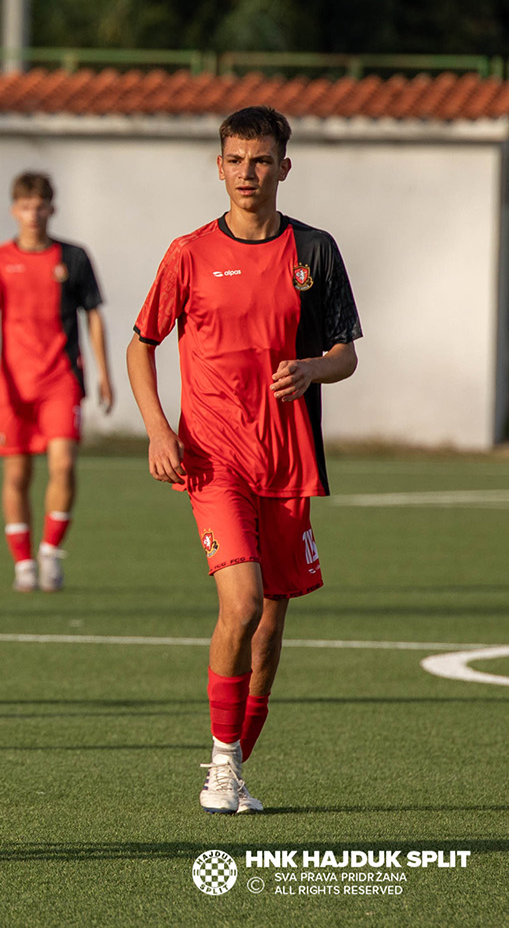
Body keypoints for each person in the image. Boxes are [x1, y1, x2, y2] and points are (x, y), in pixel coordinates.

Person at [125, 106, 361, 814]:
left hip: (288, 462)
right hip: (211, 457)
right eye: (234, 159)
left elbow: (345, 354)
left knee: (269, 629)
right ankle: (221, 768)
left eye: (260, 161)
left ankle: (233, 762)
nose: (246, 173)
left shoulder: (313, 252)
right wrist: (157, 429)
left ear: (283, 168)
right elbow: (142, 342)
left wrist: (314, 372)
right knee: (242, 602)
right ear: (218, 165)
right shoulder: (188, 252)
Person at [0, 171, 113, 592]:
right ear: (14, 210)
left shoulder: (73, 258)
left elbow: (94, 317)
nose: (33, 214)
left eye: (40, 206)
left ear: (52, 208)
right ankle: (22, 565)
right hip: (14, 385)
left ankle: (50, 553)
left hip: (61, 380)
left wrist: (105, 372)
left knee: (64, 466)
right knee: (17, 476)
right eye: (26, 206)